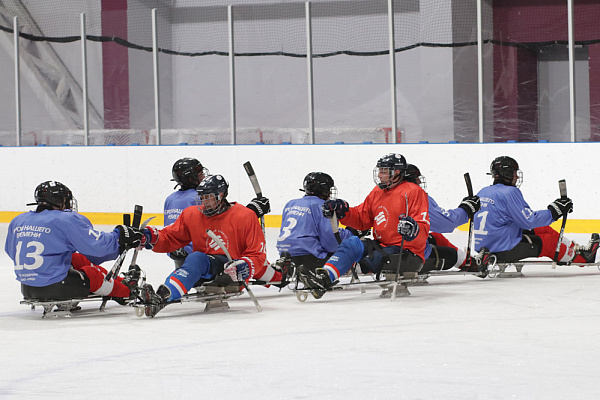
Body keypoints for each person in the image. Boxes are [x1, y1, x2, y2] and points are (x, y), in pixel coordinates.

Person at [297, 153, 430, 298]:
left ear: (397, 172)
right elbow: (362, 218)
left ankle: (343, 270)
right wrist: (343, 211)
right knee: (352, 243)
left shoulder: (413, 191)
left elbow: (422, 223)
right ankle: (325, 277)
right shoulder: (378, 192)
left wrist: (413, 228)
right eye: (379, 171)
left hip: (407, 250)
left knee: (373, 258)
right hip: (383, 245)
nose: (379, 175)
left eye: (384, 171)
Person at [138, 174, 267, 317]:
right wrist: (152, 237)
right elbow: (170, 237)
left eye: (209, 197)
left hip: (230, 272)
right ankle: (161, 296)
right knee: (192, 260)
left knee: (197, 258)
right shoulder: (191, 214)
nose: (204, 202)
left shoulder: (245, 216)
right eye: (202, 197)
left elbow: (258, 254)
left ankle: (162, 297)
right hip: (203, 268)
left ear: (221, 195)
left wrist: (245, 265)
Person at [4, 181, 142, 302]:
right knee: (92, 274)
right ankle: (127, 292)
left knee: (77, 259)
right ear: (60, 201)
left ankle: (121, 283)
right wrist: (119, 236)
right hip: (55, 286)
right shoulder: (64, 219)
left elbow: (11, 252)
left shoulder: (18, 220)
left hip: (27, 287)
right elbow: (98, 247)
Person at [474, 156, 599, 264]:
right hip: (503, 249)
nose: (517, 177)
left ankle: (576, 249)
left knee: (542, 229)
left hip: (486, 247)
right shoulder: (509, 192)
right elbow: (528, 220)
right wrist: (555, 211)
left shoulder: (483, 191)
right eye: (514, 172)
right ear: (506, 174)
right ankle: (583, 259)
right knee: (549, 242)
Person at [164, 157, 271, 269]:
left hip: (176, 252)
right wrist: (253, 211)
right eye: (199, 173)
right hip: (201, 253)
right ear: (190, 178)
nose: (203, 176)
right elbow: (223, 219)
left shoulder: (170, 199)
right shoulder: (198, 196)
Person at [276, 172, 369, 280]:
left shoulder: (290, 204)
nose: (330, 192)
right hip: (312, 260)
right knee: (352, 249)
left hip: (286, 256)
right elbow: (330, 243)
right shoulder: (322, 206)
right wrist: (351, 233)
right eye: (328, 189)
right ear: (323, 190)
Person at [403, 164, 488, 274]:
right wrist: (466, 209)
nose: (419, 181)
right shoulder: (416, 197)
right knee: (450, 255)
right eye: (417, 178)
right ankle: (471, 264)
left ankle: (472, 263)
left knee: (435, 237)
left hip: (390, 250)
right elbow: (445, 223)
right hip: (409, 255)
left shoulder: (384, 194)